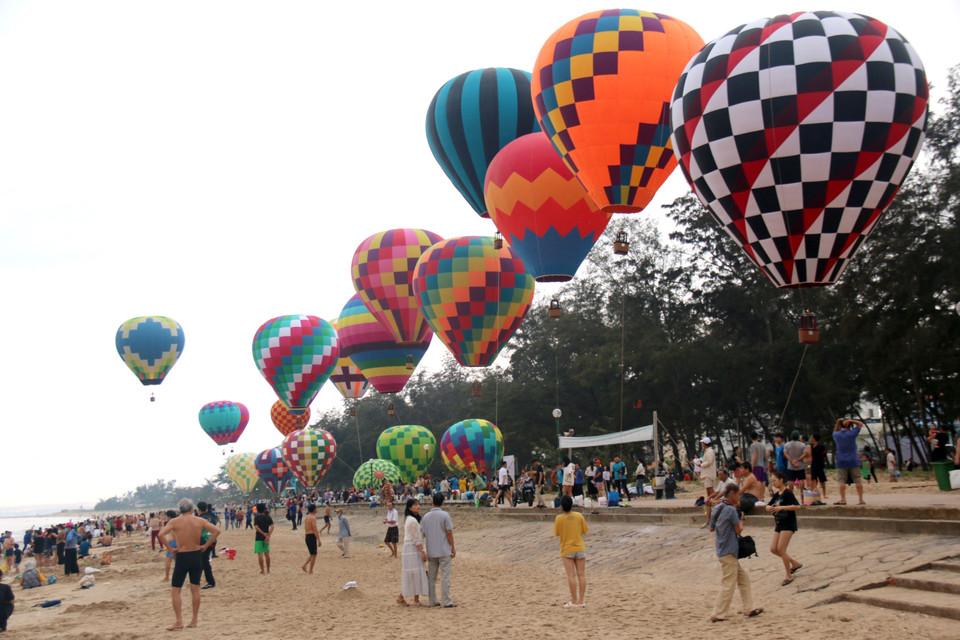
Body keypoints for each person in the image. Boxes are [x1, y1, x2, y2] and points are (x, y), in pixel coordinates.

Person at [157, 498, 220, 631]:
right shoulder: (199, 520)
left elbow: (161, 534)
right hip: (196, 555)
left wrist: (170, 549)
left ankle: (179, 621)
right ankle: (194, 620)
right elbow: (216, 531)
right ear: (192, 509)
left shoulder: (174, 521)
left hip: (182, 555)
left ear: (180, 510)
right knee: (195, 589)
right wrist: (205, 546)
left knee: (175, 590)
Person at [708, 484, 762, 622]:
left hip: (721, 549)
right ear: (732, 494)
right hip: (729, 550)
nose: (738, 498)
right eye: (738, 495)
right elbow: (739, 530)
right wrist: (742, 520)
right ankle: (718, 613)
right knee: (728, 583)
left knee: (743, 579)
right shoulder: (730, 510)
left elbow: (711, 528)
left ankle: (749, 608)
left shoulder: (717, 508)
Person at [766, 471, 803, 586]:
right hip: (779, 523)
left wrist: (782, 508)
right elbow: (767, 506)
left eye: (775, 480)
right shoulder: (777, 495)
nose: (773, 483)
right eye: (772, 481)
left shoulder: (788, 493)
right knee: (773, 548)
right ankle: (794, 563)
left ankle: (788, 575)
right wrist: (771, 508)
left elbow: (797, 506)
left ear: (781, 480)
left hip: (788, 523)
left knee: (781, 550)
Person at [553, 494, 588, 608]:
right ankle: (581, 601)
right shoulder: (579, 516)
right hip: (579, 547)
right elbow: (585, 530)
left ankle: (574, 600)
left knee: (571, 576)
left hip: (567, 549)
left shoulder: (559, 518)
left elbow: (556, 533)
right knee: (581, 574)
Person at [421, 493, 456, 608]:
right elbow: (449, 532)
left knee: (432, 577)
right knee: (445, 576)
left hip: (432, 550)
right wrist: (453, 547)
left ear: (432, 501)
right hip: (444, 549)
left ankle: (433, 600)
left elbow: (424, 533)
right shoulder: (445, 515)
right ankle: (446, 600)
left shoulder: (426, 517)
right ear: (443, 502)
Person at [398, 498, 428, 606]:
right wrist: (422, 551)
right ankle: (413, 599)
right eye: (415, 505)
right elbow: (415, 538)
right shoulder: (412, 521)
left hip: (412, 547)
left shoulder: (412, 520)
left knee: (414, 573)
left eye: (418, 504)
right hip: (412, 548)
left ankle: (405, 597)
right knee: (414, 573)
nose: (418, 506)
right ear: (410, 507)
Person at [833, 418, 866, 505]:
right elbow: (860, 424)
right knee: (857, 480)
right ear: (849, 426)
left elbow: (835, 431)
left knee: (841, 480)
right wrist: (851, 420)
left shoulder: (837, 435)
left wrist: (838, 423)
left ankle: (843, 499)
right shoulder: (851, 434)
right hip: (853, 459)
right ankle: (860, 499)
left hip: (841, 460)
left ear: (840, 426)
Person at [196, 502, 217, 589]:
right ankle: (197, 580)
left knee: (204, 562)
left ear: (198, 509)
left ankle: (210, 582)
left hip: (205, 541)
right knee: (202, 560)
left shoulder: (200, 519)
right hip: (212, 540)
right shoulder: (211, 516)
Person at [253, 503, 274, 574]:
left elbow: (256, 527)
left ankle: (262, 570)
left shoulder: (257, 518)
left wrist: (263, 534)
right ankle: (268, 570)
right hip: (266, 538)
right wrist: (268, 535)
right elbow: (272, 526)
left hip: (259, 537)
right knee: (267, 554)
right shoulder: (268, 517)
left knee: (260, 554)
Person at [700, 437, 717, 525]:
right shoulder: (707, 451)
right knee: (710, 495)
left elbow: (709, 461)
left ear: (705, 444)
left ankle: (710, 519)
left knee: (711, 495)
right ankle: (709, 519)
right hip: (708, 474)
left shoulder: (709, 451)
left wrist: (701, 464)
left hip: (708, 475)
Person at [809, 433, 828, 500]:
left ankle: (824, 493)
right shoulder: (811, 446)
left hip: (820, 465)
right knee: (813, 479)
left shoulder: (821, 447)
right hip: (813, 465)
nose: (811, 438)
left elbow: (825, 455)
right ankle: (814, 492)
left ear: (814, 438)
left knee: (822, 480)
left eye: (812, 437)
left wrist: (822, 461)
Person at [302, 503, 319, 574]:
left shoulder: (307, 517)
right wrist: (319, 539)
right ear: (314, 509)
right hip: (311, 536)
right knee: (314, 554)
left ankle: (304, 565)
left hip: (307, 536)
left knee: (312, 553)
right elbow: (315, 529)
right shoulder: (313, 518)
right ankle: (310, 570)